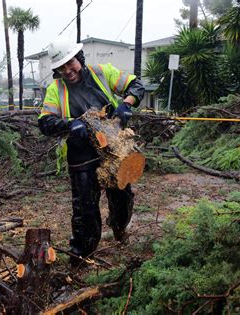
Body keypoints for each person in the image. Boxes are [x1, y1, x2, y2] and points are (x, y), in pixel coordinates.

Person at [38, 36, 146, 265]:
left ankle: (119, 228)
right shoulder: (55, 90)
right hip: (81, 154)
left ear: (80, 58)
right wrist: (69, 124)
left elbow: (136, 85)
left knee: (122, 197)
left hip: (114, 149)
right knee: (84, 208)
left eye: (71, 63)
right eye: (61, 67)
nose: (68, 70)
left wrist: (126, 104)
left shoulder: (102, 72)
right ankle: (82, 254)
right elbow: (45, 122)